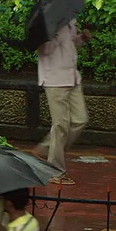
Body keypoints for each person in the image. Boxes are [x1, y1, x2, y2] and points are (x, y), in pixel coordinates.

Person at [32, 19, 92, 186]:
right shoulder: (45, 25)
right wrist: (54, 33)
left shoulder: (70, 21)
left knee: (80, 119)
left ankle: (45, 149)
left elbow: (70, 45)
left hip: (72, 78)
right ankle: (55, 171)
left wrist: (82, 38)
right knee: (60, 126)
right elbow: (45, 50)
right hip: (54, 80)